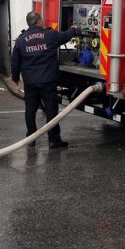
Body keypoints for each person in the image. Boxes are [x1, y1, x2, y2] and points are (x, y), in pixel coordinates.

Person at [11, 11, 77, 148]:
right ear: (40, 21)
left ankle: (31, 138)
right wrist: (73, 29)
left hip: (30, 82)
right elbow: (65, 36)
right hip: (48, 80)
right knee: (51, 110)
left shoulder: (21, 39)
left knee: (30, 110)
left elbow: (15, 61)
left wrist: (15, 78)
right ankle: (54, 140)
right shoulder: (50, 35)